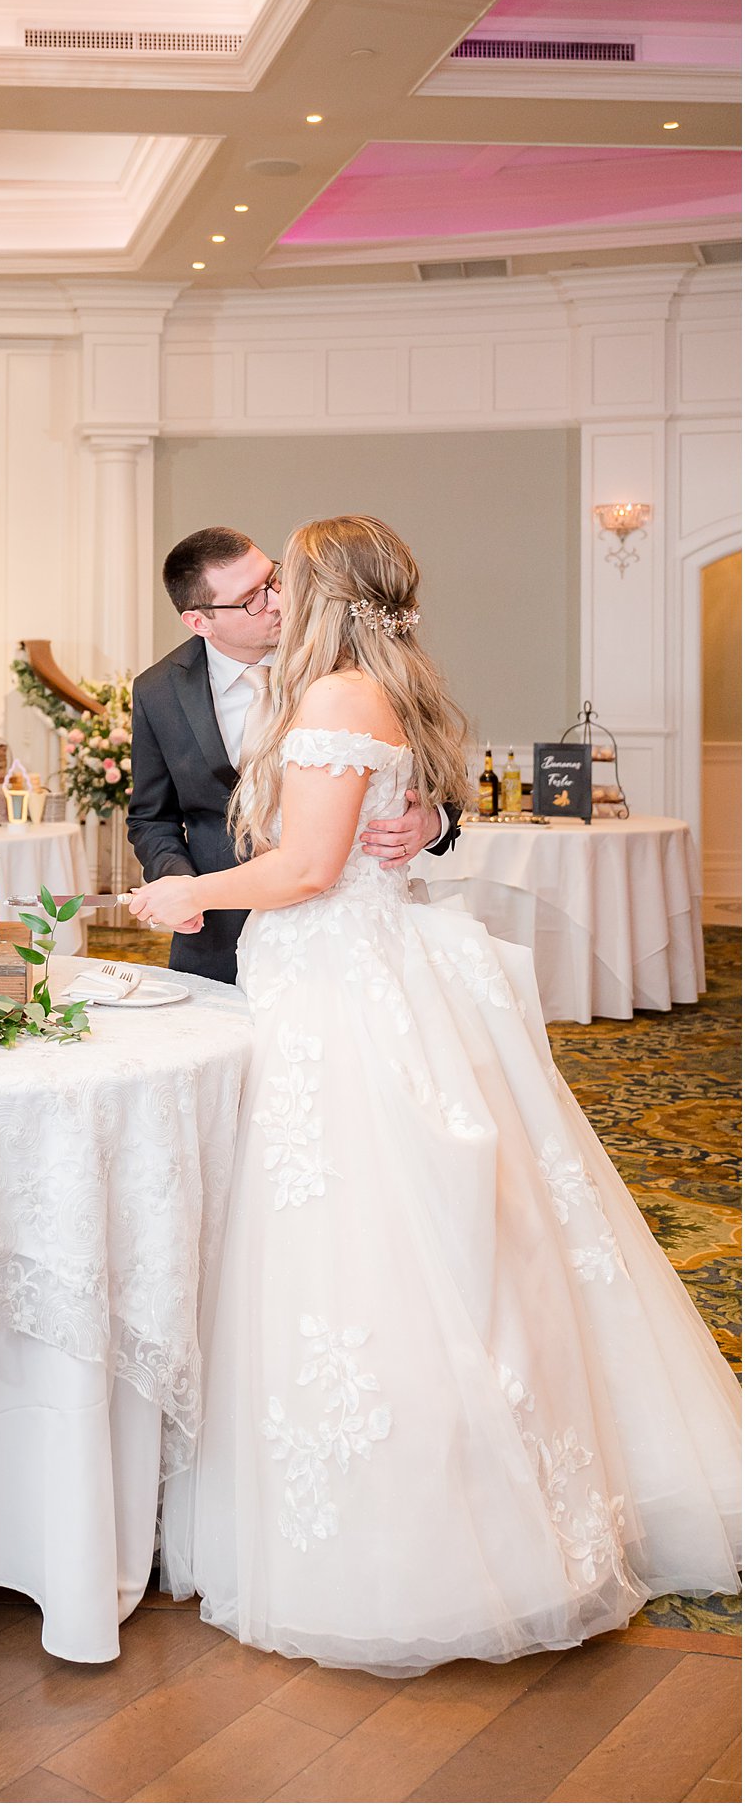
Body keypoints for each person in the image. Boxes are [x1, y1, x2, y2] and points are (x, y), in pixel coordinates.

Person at [129, 516, 740, 1675]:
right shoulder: (378, 686)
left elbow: (308, 868)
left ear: (313, 595)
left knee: (360, 1239)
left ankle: (413, 1526)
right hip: (349, 969)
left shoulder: (327, 700)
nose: (271, 597)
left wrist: (185, 894)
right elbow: (364, 825)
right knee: (421, 1231)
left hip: (336, 981)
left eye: (285, 581)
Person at [129, 526, 460, 985]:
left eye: (274, 580)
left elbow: (433, 764)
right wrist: (183, 889)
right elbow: (151, 818)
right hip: (215, 933)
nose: (276, 601)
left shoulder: (342, 669)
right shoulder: (158, 691)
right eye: (251, 599)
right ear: (200, 621)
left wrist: (433, 821)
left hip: (336, 938)